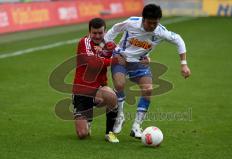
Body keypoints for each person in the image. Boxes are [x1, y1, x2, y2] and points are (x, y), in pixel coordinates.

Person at [104, 4, 191, 139]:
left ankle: (137, 126)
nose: (152, 26)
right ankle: (120, 116)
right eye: (149, 23)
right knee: (120, 85)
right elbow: (114, 30)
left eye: (155, 23)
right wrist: (113, 49)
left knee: (148, 89)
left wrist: (184, 64)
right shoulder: (131, 23)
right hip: (121, 59)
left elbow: (179, 40)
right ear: (143, 19)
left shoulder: (160, 31)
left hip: (140, 62)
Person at [72, 18, 123, 143]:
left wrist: (145, 59)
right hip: (82, 90)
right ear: (89, 32)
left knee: (111, 96)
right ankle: (86, 119)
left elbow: (125, 54)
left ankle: (109, 133)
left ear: (105, 32)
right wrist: (113, 60)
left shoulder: (108, 45)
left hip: (98, 90)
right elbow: (93, 63)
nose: (97, 36)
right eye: (94, 33)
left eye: (100, 33)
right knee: (83, 134)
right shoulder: (84, 42)